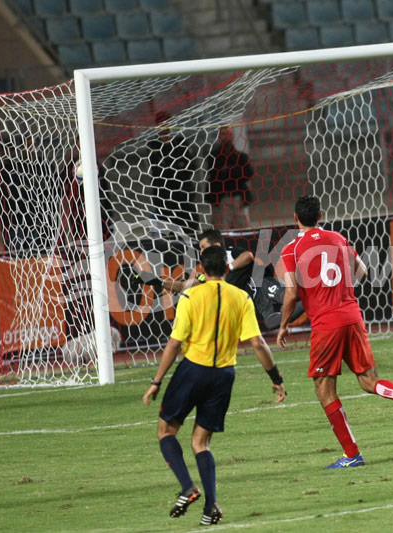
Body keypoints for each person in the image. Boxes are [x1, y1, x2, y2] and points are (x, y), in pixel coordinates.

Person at [276, 194, 393, 468]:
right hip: (352, 316)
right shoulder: (338, 238)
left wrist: (283, 325)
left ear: (295, 219)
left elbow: (291, 293)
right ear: (320, 216)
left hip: (326, 324)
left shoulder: (291, 249)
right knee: (368, 380)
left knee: (324, 389)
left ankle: (352, 454)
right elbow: (362, 271)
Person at [142, 245, 286, 525]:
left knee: (166, 430)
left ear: (202, 269)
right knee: (201, 441)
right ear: (226, 268)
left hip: (193, 369)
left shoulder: (190, 295)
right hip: (224, 376)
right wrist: (276, 379)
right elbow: (257, 343)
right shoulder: (241, 297)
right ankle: (211, 506)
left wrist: (156, 381)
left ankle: (187, 487)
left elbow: (174, 344)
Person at [143, 228, 304, 331]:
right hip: (258, 301)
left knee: (289, 297)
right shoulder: (212, 272)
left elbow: (248, 256)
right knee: (271, 323)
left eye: (204, 247)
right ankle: (310, 302)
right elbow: (183, 285)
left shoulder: (230, 253)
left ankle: (315, 297)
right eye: (200, 249)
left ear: (218, 245)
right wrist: (158, 282)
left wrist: (229, 268)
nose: (201, 252)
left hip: (263, 284)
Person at [147, 111, 201, 235]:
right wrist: (178, 166)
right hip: (164, 200)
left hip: (183, 197)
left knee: (189, 231)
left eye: (166, 124)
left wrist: (168, 166)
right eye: (161, 124)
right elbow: (157, 173)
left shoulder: (181, 143)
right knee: (168, 236)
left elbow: (191, 166)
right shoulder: (153, 146)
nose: (164, 128)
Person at [205, 127, 255, 229]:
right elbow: (214, 176)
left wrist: (229, 170)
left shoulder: (241, 156)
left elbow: (248, 173)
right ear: (219, 137)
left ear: (232, 136)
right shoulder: (213, 157)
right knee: (222, 229)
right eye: (222, 134)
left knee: (241, 228)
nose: (225, 138)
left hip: (238, 197)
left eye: (227, 134)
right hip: (220, 199)